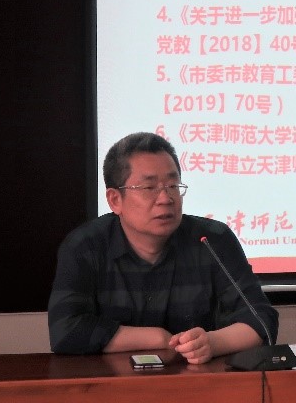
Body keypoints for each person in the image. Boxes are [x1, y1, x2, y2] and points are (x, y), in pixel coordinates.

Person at [48, 132, 278, 363]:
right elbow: (66, 331)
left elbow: (261, 319)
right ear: (115, 200)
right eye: (149, 187)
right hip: (111, 382)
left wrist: (212, 343)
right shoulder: (86, 247)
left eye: (172, 185)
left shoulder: (212, 240)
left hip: (198, 381)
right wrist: (158, 338)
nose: (166, 198)